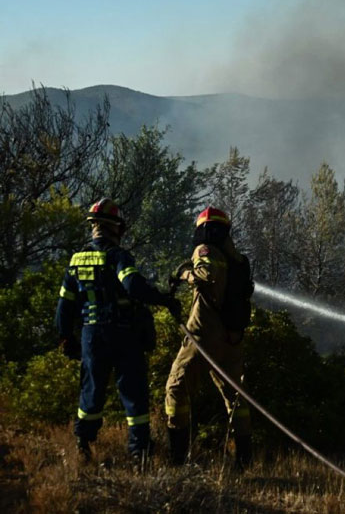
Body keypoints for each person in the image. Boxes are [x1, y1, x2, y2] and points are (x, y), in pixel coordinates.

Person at [56, 198, 181, 464]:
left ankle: (83, 445)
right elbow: (135, 287)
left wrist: (66, 336)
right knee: (134, 393)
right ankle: (139, 453)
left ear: (93, 227)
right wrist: (165, 300)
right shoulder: (118, 256)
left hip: (91, 336)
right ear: (115, 228)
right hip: (123, 334)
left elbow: (64, 305)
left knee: (92, 390)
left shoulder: (76, 261)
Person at [164, 206, 254, 468]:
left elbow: (205, 275)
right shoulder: (236, 257)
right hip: (233, 339)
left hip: (204, 336)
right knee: (235, 396)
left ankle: (177, 459)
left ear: (202, 228)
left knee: (176, 388)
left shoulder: (206, 250)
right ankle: (244, 462)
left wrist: (184, 274)